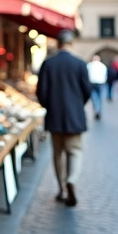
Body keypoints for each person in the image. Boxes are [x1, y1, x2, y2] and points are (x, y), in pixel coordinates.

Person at [36, 29, 94, 206]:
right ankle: (72, 179)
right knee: (75, 151)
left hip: (55, 116)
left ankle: (62, 189)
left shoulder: (48, 63)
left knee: (58, 154)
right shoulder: (80, 63)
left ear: (58, 43)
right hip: (75, 116)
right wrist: (77, 105)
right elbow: (87, 91)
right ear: (71, 43)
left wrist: (50, 106)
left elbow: (41, 92)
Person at [86, 55, 108, 120]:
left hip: (92, 82)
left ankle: (96, 109)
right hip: (100, 83)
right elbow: (105, 75)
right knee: (100, 97)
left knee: (94, 97)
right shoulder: (103, 66)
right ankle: (99, 110)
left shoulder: (89, 65)